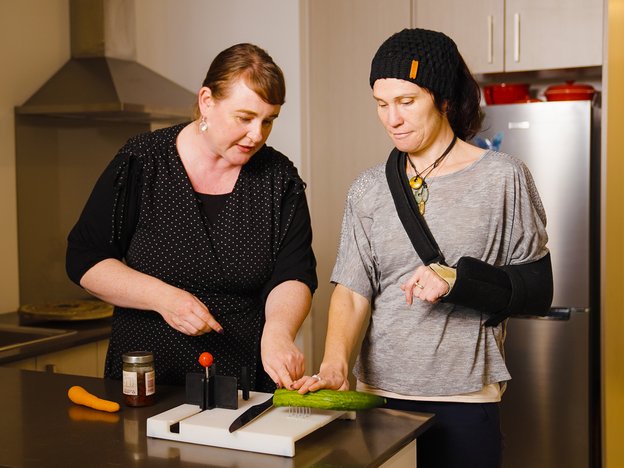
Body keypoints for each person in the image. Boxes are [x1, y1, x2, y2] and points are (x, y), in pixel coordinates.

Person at [292, 28, 552, 468]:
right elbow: (354, 291)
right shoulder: (368, 189)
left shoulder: (502, 178)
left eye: (406, 101)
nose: (391, 118)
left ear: (443, 99)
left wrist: (457, 280)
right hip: (378, 399)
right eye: (381, 104)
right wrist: (336, 363)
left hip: (466, 399)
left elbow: (537, 290)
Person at [66, 43, 317, 392]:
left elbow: (294, 273)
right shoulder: (143, 161)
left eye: (268, 121)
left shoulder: (278, 178)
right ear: (206, 102)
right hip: (147, 378)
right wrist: (164, 298)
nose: (257, 134)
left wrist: (278, 330)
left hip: (243, 381)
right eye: (244, 118)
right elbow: (85, 259)